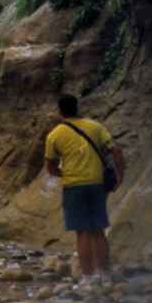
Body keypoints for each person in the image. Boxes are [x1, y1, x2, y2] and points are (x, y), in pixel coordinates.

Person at [45, 93, 125, 291]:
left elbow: (51, 168)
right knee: (98, 230)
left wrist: (67, 174)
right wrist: (120, 175)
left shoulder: (54, 135)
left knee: (82, 233)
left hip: (73, 186)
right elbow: (115, 150)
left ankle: (87, 279)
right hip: (96, 184)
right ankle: (106, 277)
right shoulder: (95, 126)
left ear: (60, 111)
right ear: (77, 108)